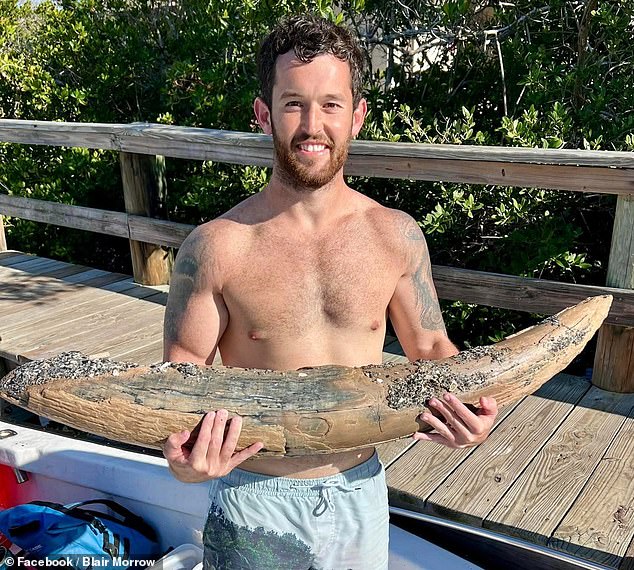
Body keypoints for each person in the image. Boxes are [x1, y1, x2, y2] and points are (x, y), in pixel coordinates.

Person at [162, 14, 498, 570]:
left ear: (357, 116)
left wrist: (474, 408)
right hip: (254, 500)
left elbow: (433, 350)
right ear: (264, 114)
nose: (311, 125)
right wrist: (185, 465)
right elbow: (176, 390)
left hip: (360, 493)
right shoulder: (215, 248)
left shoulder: (395, 235)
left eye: (331, 104)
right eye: (293, 103)